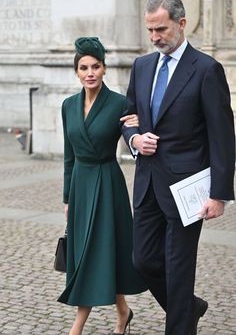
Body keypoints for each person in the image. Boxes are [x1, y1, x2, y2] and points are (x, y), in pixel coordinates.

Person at [121, 0, 235, 335]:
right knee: (143, 260)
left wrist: (220, 194)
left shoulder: (206, 70)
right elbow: (128, 115)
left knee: (179, 268)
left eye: (161, 29)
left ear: (181, 24)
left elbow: (223, 136)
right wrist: (135, 139)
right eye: (150, 30)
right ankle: (189, 307)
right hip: (147, 184)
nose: (155, 37)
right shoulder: (141, 66)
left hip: (188, 190)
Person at [57, 37, 147, 335]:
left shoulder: (120, 103)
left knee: (98, 250)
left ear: (105, 68)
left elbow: (135, 139)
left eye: (96, 66)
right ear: (77, 71)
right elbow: (69, 156)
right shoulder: (68, 105)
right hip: (81, 186)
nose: (90, 72)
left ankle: (76, 329)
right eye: (84, 67)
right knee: (95, 251)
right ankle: (123, 313)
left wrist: (139, 129)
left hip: (108, 183)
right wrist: (68, 197)